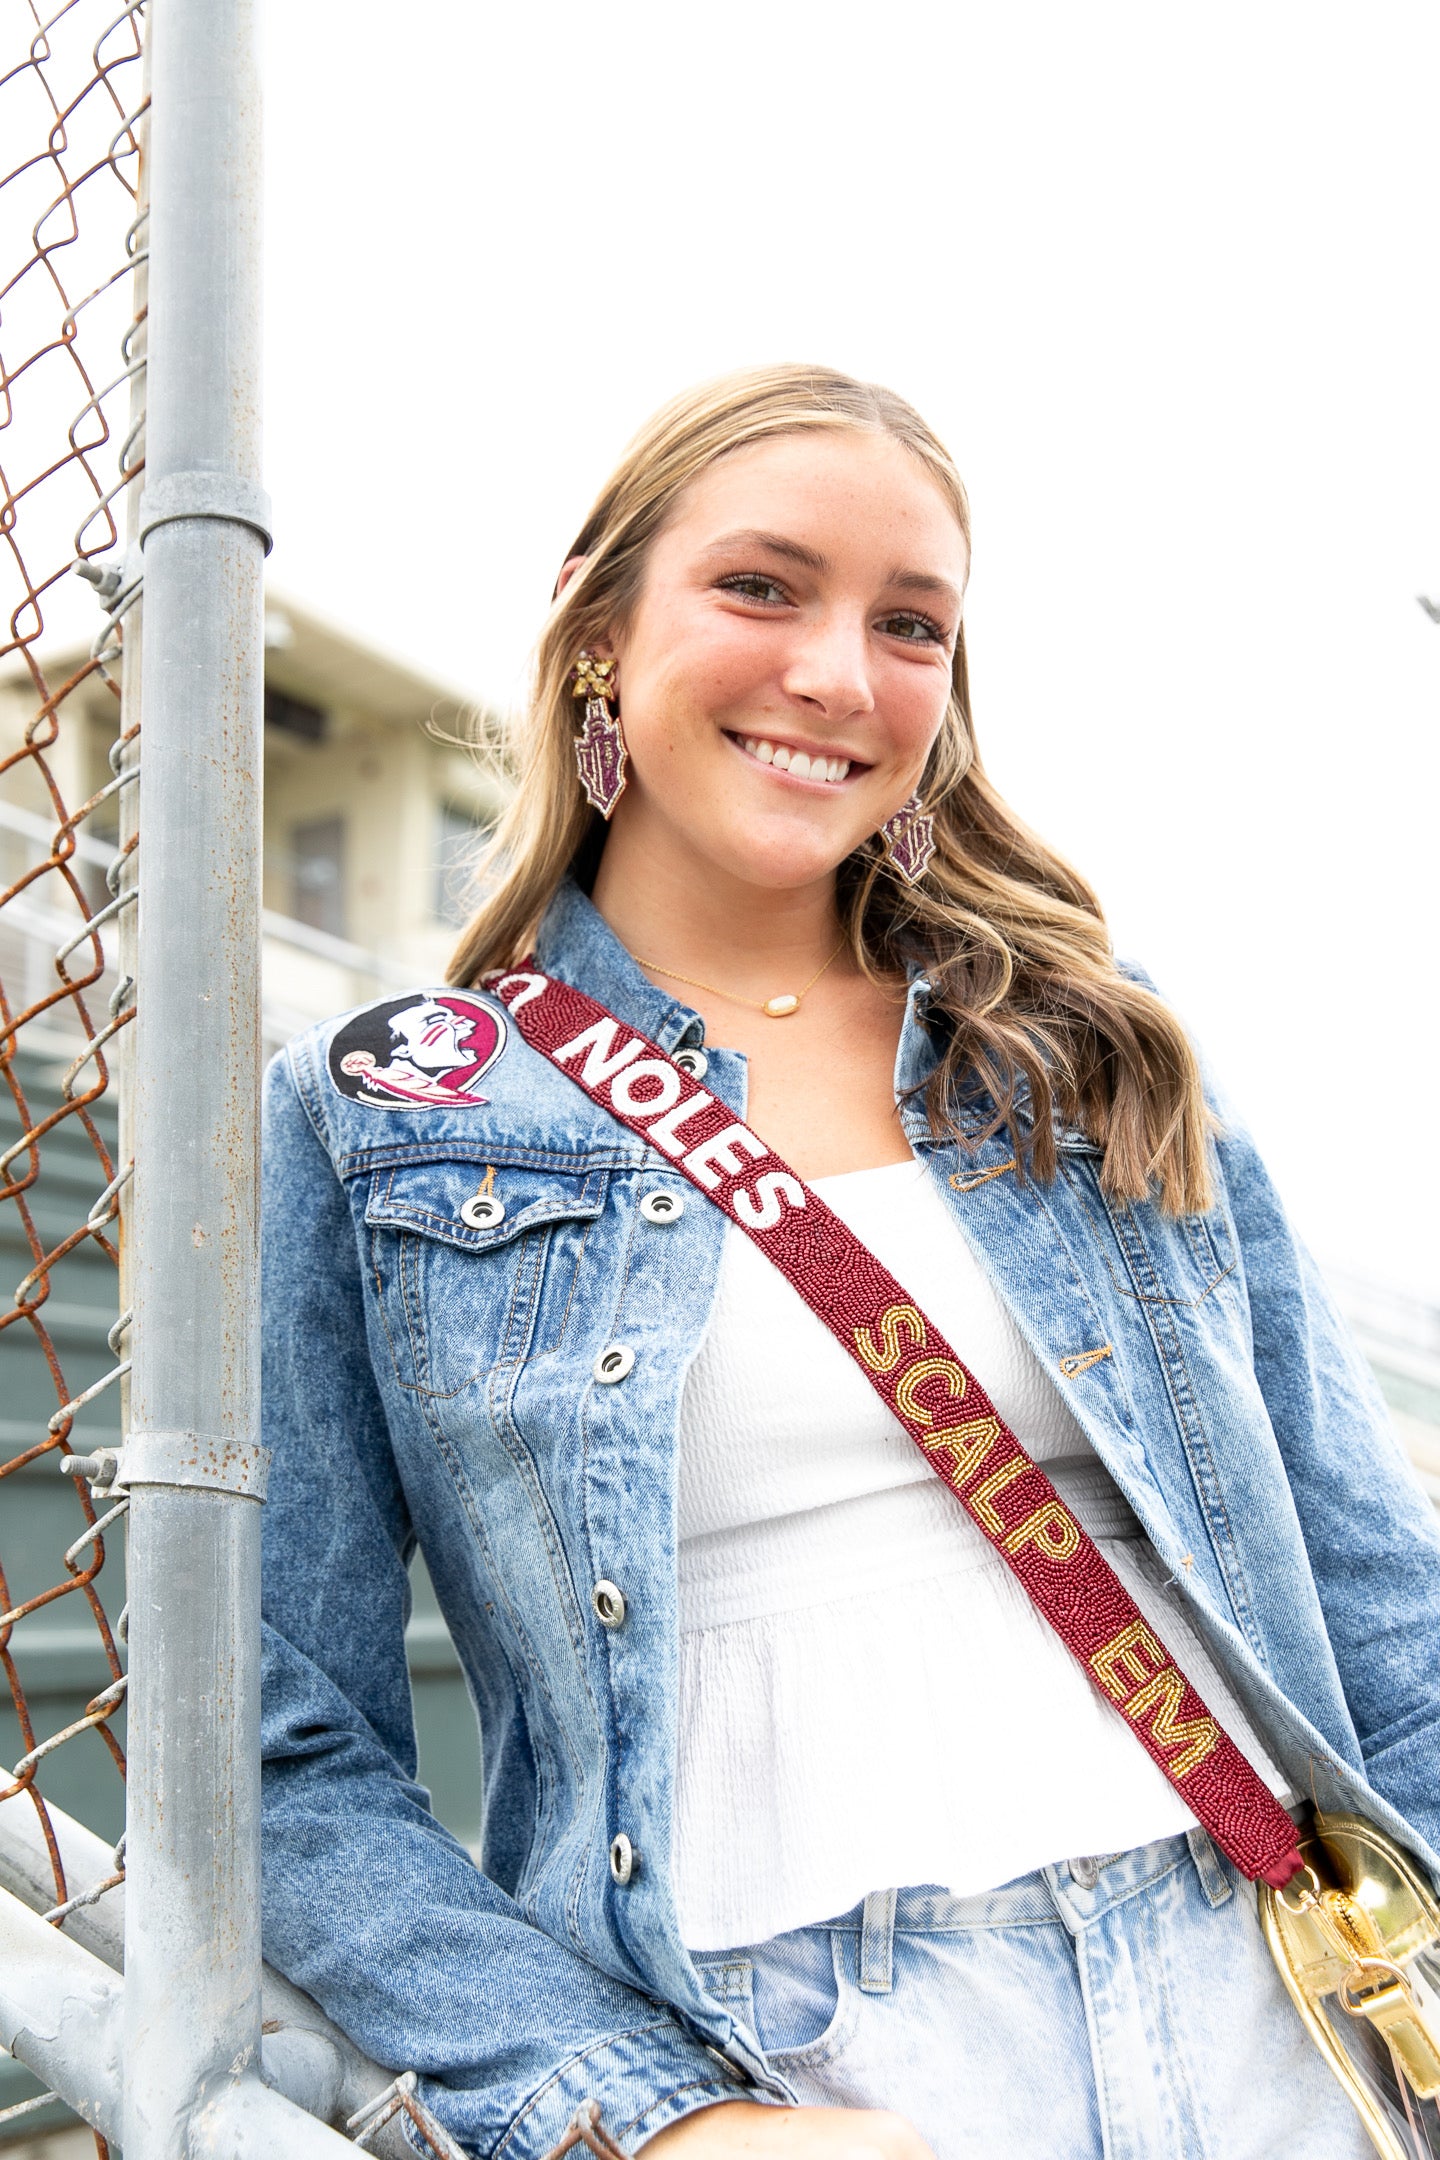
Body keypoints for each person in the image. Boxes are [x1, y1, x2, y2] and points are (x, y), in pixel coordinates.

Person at [259, 365, 1440, 2160]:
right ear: (600, 630)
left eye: (913, 626)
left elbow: (1376, 1604)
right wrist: (643, 2119)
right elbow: (281, 1743)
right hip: (797, 2061)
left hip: (1269, 1990)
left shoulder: (1087, 1057)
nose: (838, 673)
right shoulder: (380, 1119)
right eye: (761, 586)